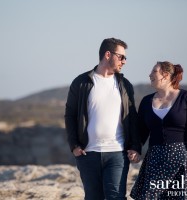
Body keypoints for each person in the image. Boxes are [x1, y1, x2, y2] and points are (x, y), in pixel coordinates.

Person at [64, 37, 142, 200]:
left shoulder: (125, 85)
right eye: (121, 57)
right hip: (88, 153)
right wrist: (74, 145)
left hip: (117, 153)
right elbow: (70, 115)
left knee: (116, 197)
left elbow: (132, 117)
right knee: (93, 197)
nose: (124, 61)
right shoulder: (81, 82)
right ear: (108, 54)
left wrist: (135, 146)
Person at [130, 61, 187, 200]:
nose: (150, 74)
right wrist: (136, 149)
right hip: (155, 157)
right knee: (148, 196)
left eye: (154, 71)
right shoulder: (146, 101)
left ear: (165, 75)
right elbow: (141, 130)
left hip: (180, 157)